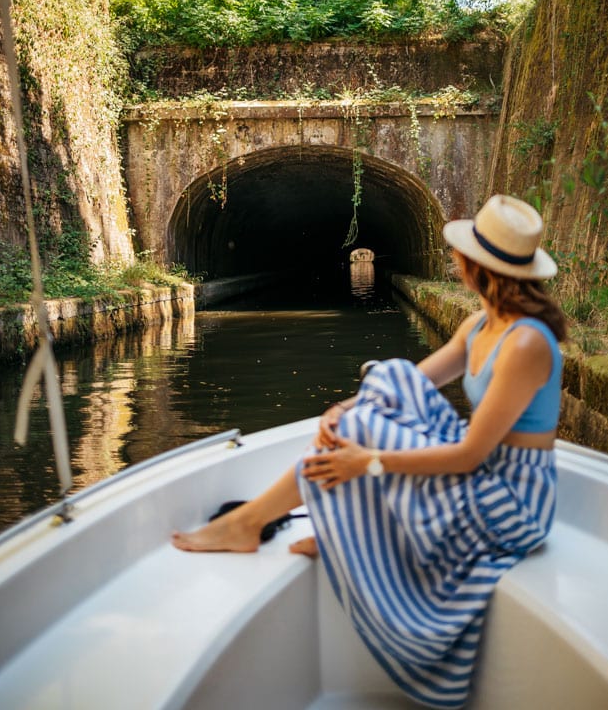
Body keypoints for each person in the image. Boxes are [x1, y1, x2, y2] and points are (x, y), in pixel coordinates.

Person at [172, 194, 567, 709]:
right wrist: (342, 408)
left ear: (477, 267)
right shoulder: (479, 325)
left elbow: (470, 455)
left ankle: (251, 523)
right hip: (484, 472)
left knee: (368, 434)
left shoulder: (526, 343)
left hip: (512, 501)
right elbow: (413, 382)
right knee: (389, 378)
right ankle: (333, 522)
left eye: (459, 254)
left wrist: (369, 461)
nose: (452, 260)